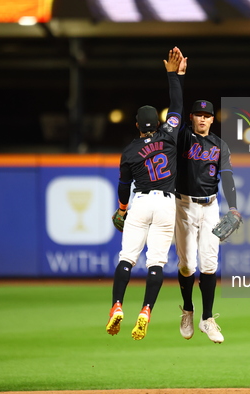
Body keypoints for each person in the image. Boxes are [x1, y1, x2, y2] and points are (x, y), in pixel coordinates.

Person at [105, 47, 186, 341]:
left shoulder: (129, 151)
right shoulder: (169, 135)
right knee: (156, 263)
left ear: (137, 125)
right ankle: (146, 310)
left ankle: (116, 306)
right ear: (159, 122)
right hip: (166, 205)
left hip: (140, 202)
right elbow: (177, 105)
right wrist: (173, 75)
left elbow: (124, 186)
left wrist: (123, 208)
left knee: (127, 258)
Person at [176, 98, 239, 344]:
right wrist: (176, 77)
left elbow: (228, 178)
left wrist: (233, 207)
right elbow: (176, 108)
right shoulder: (183, 138)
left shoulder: (220, 145)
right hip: (183, 205)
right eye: (198, 114)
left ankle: (207, 318)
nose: (202, 118)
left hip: (210, 205)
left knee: (210, 263)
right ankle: (188, 310)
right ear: (191, 117)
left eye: (206, 115)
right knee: (187, 266)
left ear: (213, 119)